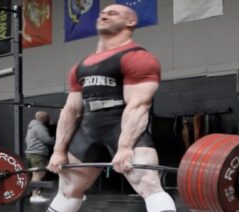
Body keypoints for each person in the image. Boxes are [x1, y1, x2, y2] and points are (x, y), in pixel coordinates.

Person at [47, 4, 177, 212]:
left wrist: (125, 147)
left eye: (113, 13)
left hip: (121, 125)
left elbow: (138, 106)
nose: (105, 15)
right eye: (103, 13)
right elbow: (71, 109)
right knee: (68, 189)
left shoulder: (139, 58)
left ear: (130, 22)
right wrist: (58, 150)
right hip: (88, 128)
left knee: (148, 184)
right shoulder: (81, 66)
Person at [25, 111, 55, 203]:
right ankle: (35, 195)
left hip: (32, 153)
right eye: (47, 118)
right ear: (43, 119)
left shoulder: (32, 127)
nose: (49, 119)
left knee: (35, 174)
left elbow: (26, 140)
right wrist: (56, 141)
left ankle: (33, 193)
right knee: (39, 174)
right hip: (38, 154)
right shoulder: (39, 127)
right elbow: (47, 140)